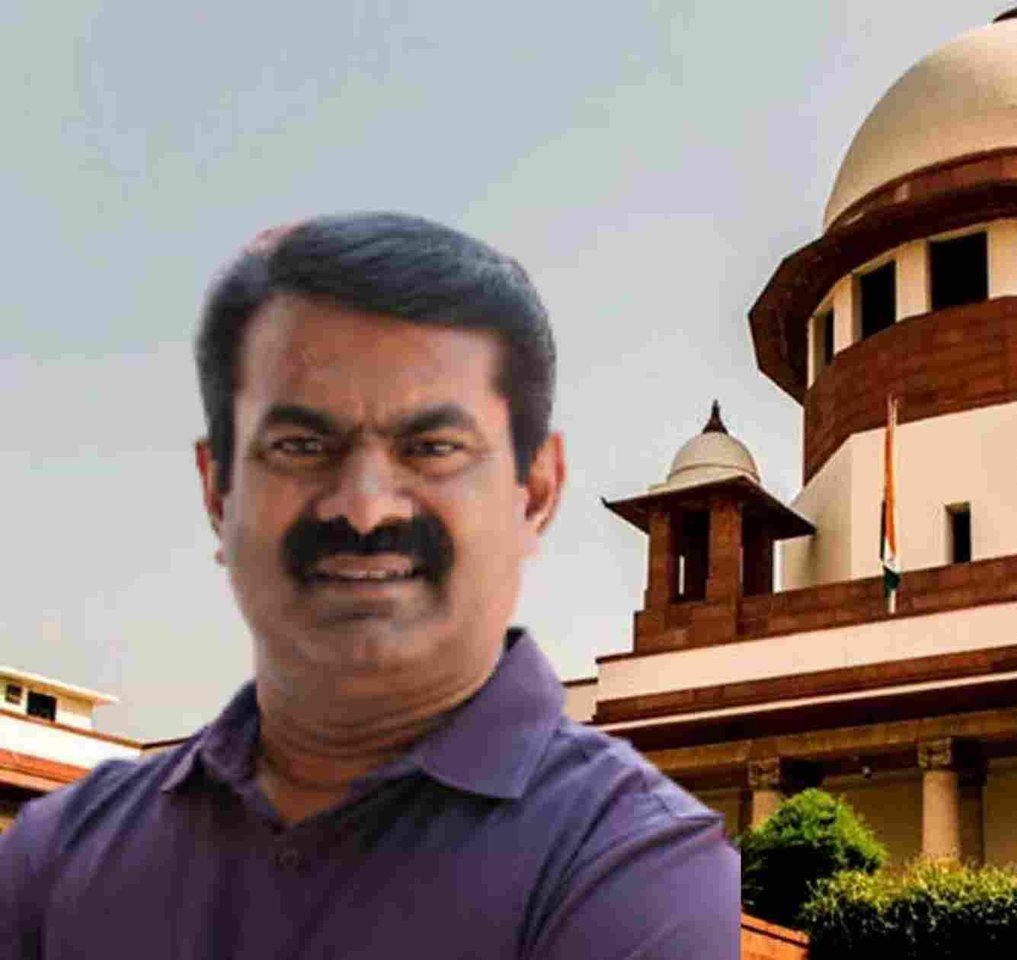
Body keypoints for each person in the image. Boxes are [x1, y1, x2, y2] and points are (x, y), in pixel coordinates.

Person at [0, 212, 741, 958]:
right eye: (301, 443)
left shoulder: (634, 866)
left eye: (433, 446)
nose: (363, 508)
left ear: (535, 489)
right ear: (218, 488)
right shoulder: (57, 854)